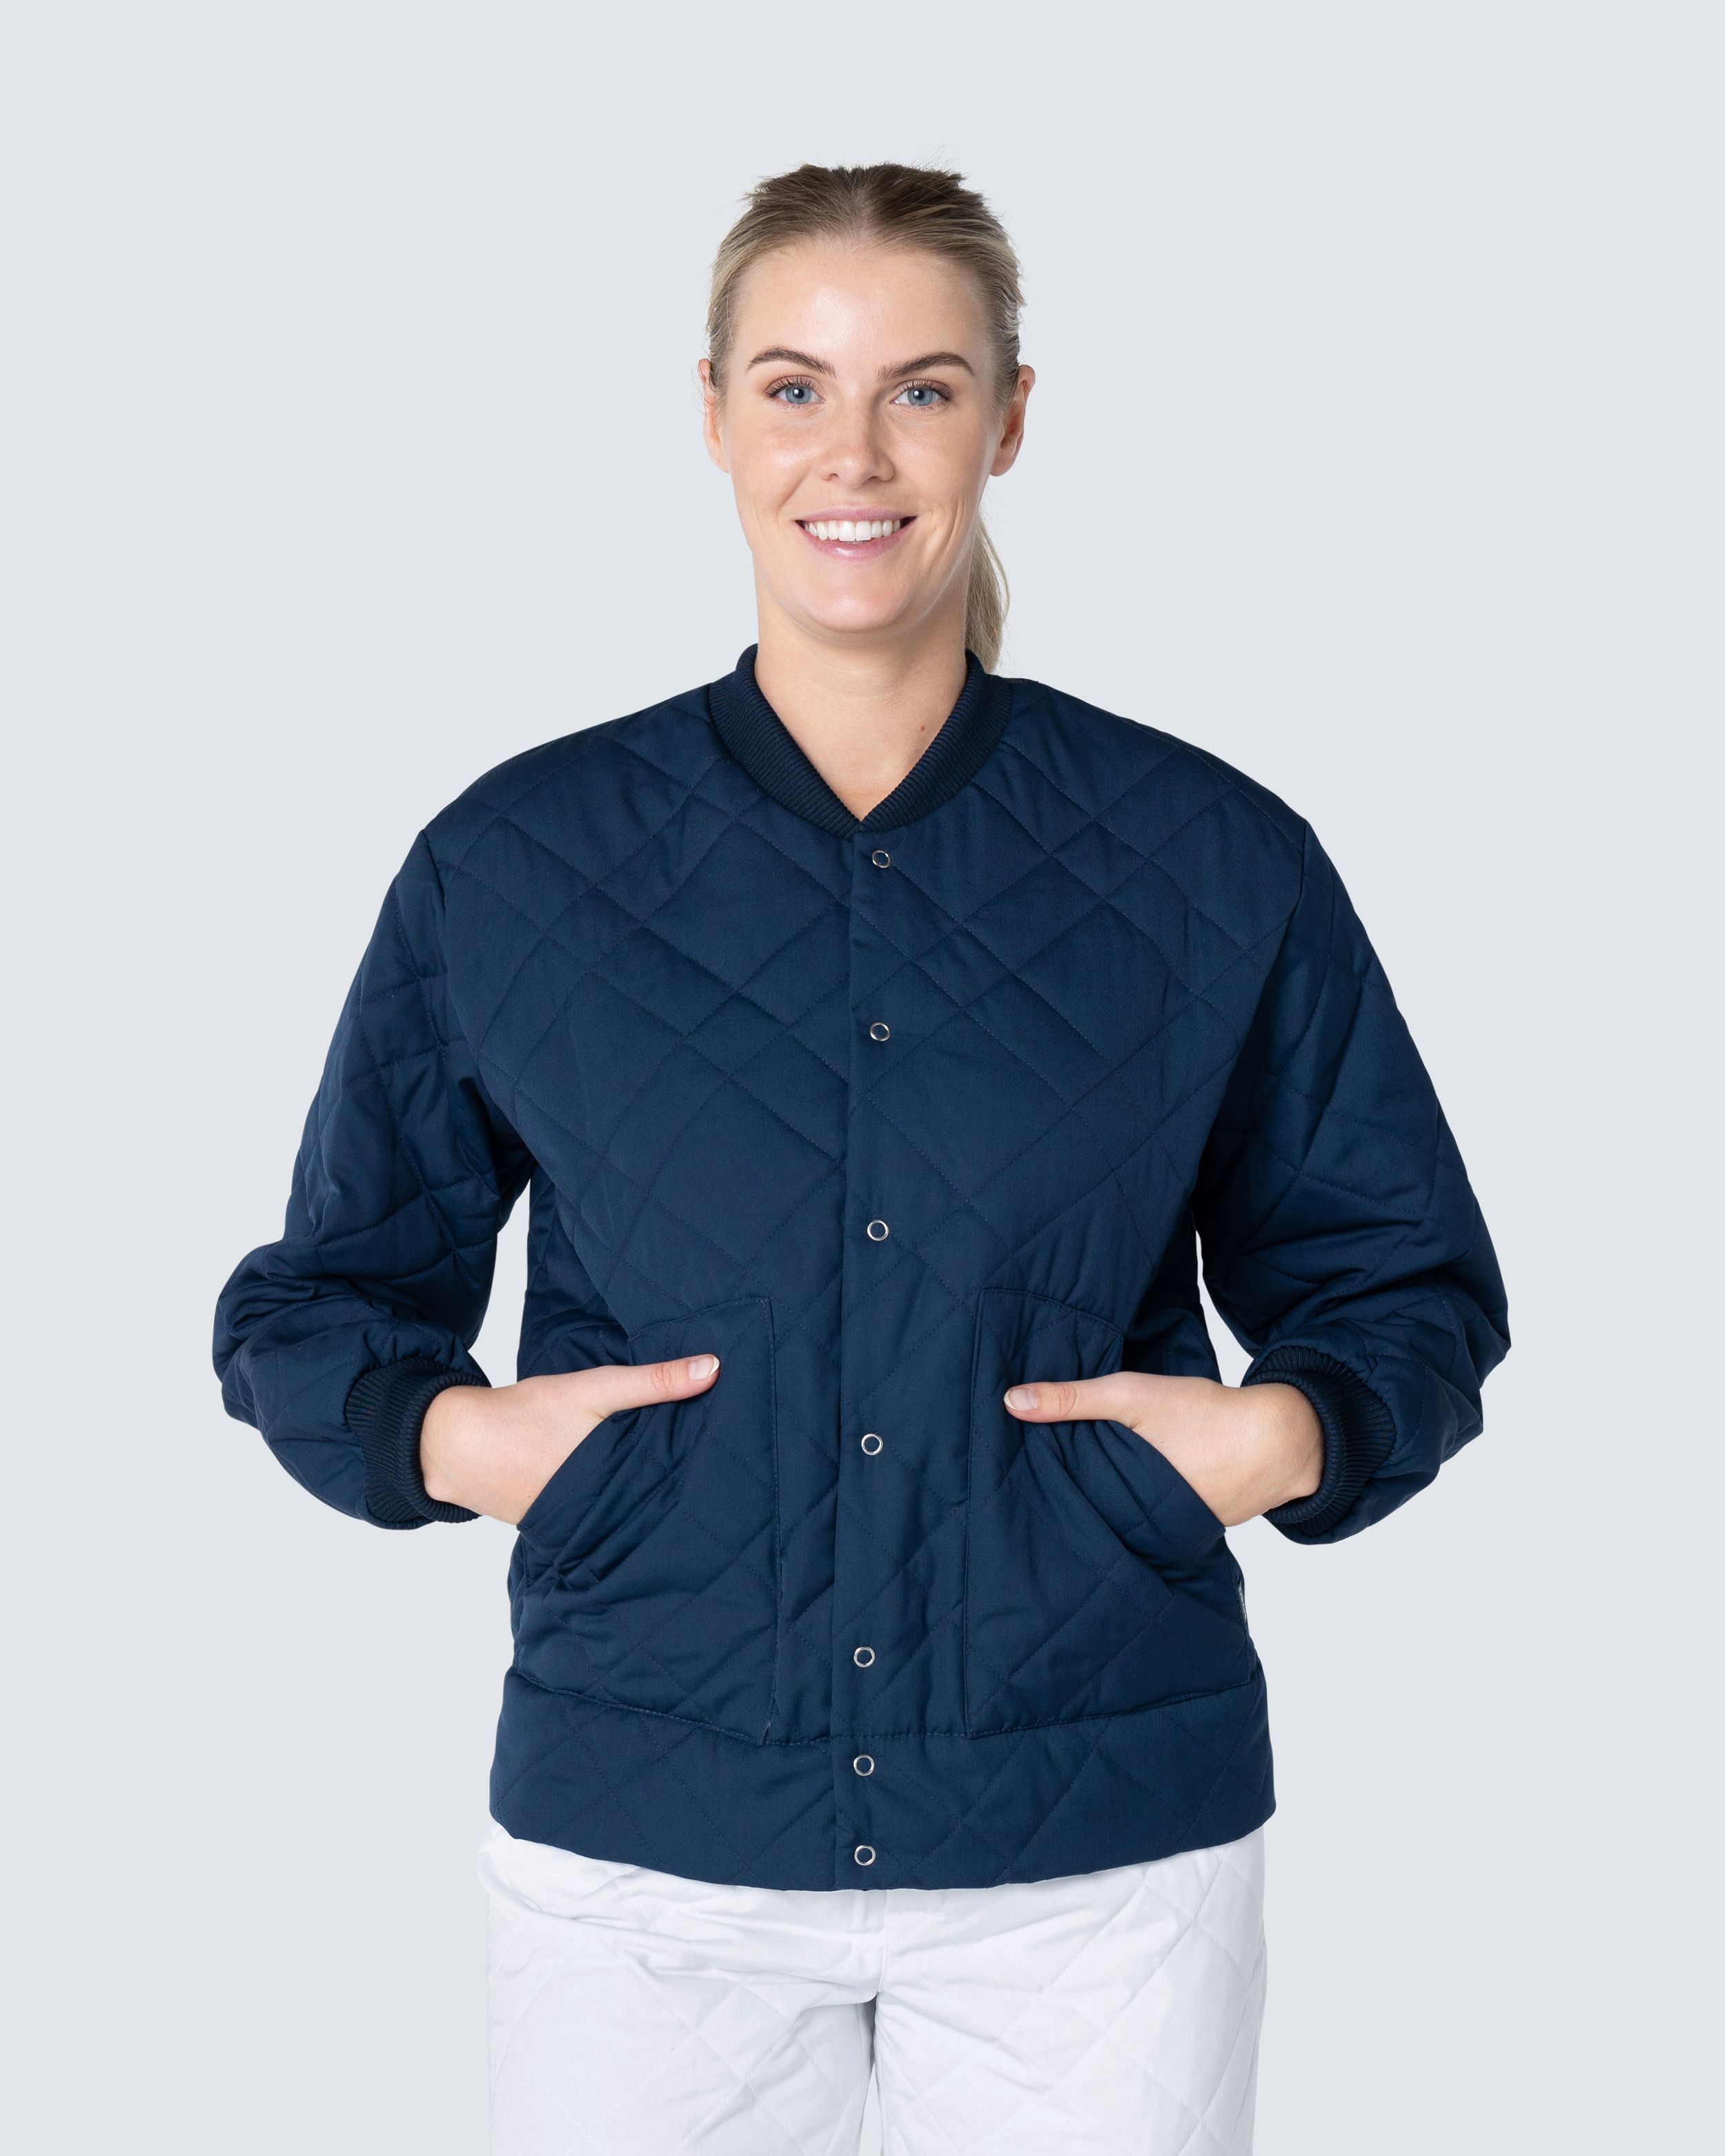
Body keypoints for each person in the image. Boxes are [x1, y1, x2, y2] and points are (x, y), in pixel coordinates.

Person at [214, 161, 1510, 2155]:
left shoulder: (1209, 856)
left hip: (1099, 1854)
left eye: (922, 388)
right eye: (796, 387)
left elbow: (1401, 1280)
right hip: (646, 1853)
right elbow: (320, 1305)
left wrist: (1283, 1438)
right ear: (713, 416)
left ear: (1008, 419)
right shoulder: (516, 862)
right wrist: (468, 1444)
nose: (856, 453)